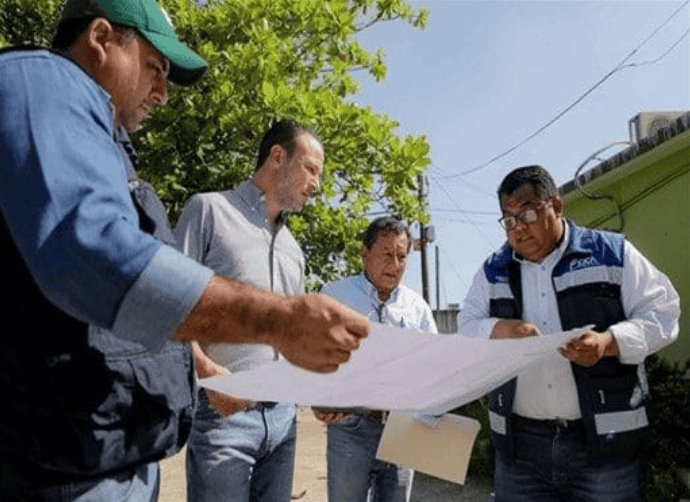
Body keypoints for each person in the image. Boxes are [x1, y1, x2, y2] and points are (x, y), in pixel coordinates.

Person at [0, 1, 368, 499]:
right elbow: (95, 256)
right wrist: (278, 319)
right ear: (101, 38)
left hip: (103, 452)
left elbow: (135, 314)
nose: (163, 93)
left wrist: (215, 368)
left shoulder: (101, 142)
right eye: (155, 68)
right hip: (51, 467)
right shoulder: (45, 83)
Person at [458, 165, 680, 501]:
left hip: (605, 445)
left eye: (528, 213)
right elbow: (466, 327)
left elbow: (664, 313)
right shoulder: (493, 271)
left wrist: (608, 343)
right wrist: (502, 329)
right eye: (509, 219)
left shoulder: (611, 254)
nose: (518, 228)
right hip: (520, 449)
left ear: (557, 206)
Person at [174, 119, 323, 501]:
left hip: (284, 421)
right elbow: (170, 304)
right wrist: (207, 375)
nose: (316, 184)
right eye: (311, 169)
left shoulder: (294, 249)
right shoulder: (209, 210)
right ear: (277, 157)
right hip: (223, 416)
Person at [312, 216, 438, 502]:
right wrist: (318, 397)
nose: (395, 265)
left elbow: (433, 369)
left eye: (402, 256)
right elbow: (315, 357)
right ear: (364, 253)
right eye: (386, 255)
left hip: (402, 428)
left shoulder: (417, 308)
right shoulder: (334, 296)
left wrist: (425, 420)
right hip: (350, 426)